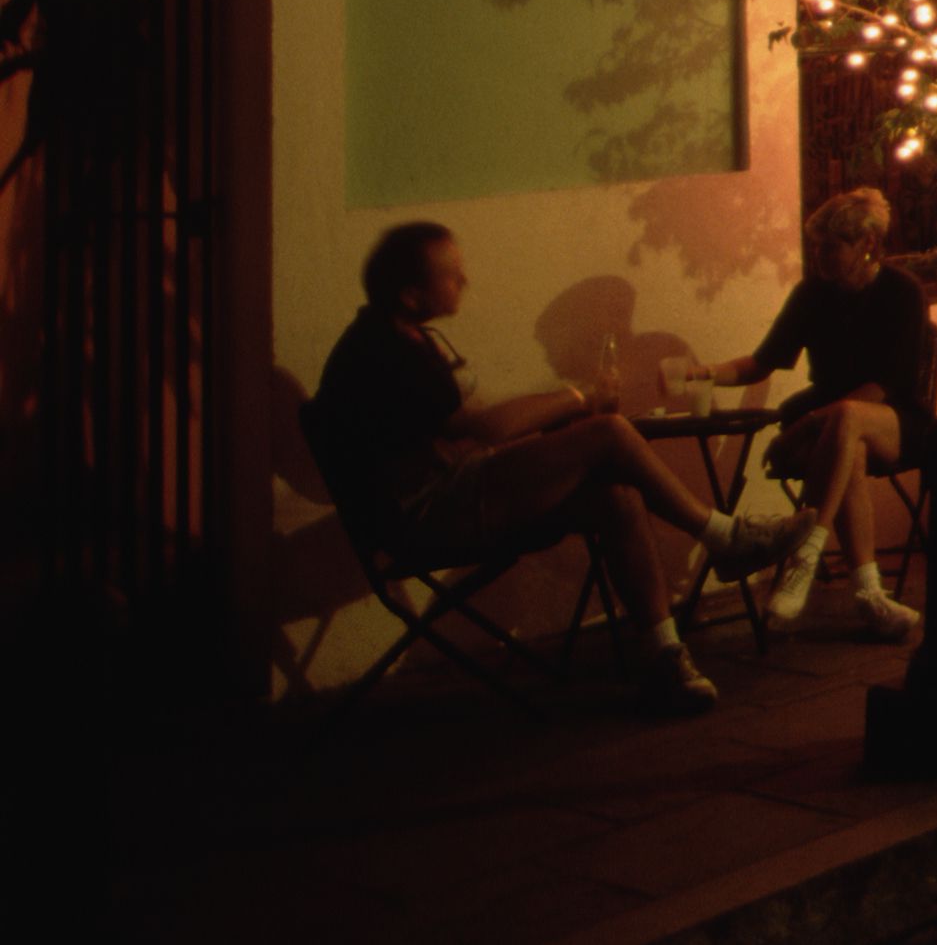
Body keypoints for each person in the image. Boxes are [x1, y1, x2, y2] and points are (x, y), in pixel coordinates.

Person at [309, 220, 813, 717]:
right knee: (608, 432)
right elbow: (486, 428)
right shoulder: (385, 352)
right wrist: (579, 397)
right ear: (411, 294)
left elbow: (467, 429)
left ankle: (663, 655)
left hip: (455, 491)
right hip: (426, 517)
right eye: (451, 275)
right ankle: (724, 536)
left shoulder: (408, 338)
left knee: (615, 495)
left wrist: (537, 432)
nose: (464, 282)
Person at [706, 189, 932, 642]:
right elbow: (762, 362)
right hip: (839, 428)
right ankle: (869, 594)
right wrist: (702, 374)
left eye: (831, 246)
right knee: (847, 446)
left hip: (895, 417)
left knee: (848, 417)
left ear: (866, 243)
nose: (819, 256)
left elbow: (880, 388)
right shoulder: (812, 294)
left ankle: (803, 557)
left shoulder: (902, 293)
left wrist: (806, 427)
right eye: (817, 246)